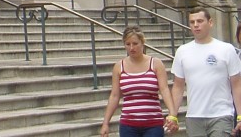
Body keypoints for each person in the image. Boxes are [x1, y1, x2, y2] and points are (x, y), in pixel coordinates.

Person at [170, 7, 241, 137]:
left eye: (200, 21)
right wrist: (173, 114)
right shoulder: (182, 51)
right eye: (192, 22)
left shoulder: (226, 49)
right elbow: (178, 86)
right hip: (194, 116)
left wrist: (240, 115)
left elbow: (236, 84)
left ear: (210, 22)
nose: (196, 25)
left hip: (221, 114)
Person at [100, 26, 179, 136]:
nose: (132, 48)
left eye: (135, 43)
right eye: (128, 44)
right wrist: (105, 123)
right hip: (128, 124)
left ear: (142, 43)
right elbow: (114, 96)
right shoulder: (119, 67)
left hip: (153, 123)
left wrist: (172, 114)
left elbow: (164, 90)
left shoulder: (156, 64)